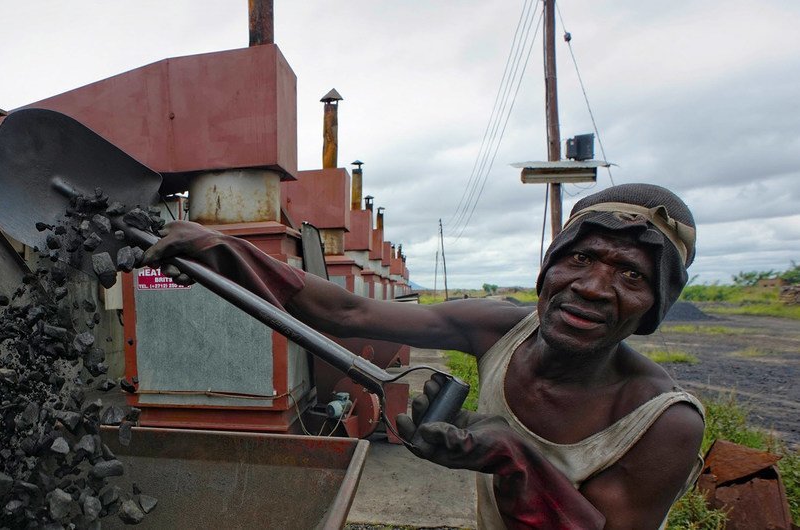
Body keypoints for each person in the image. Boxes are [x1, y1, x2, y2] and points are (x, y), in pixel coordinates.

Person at [141, 183, 704, 529]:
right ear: (550, 267)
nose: (594, 287)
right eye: (581, 259)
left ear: (656, 302)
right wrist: (228, 252)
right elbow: (349, 314)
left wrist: (510, 459)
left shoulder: (659, 421)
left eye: (630, 273)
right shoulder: (503, 328)